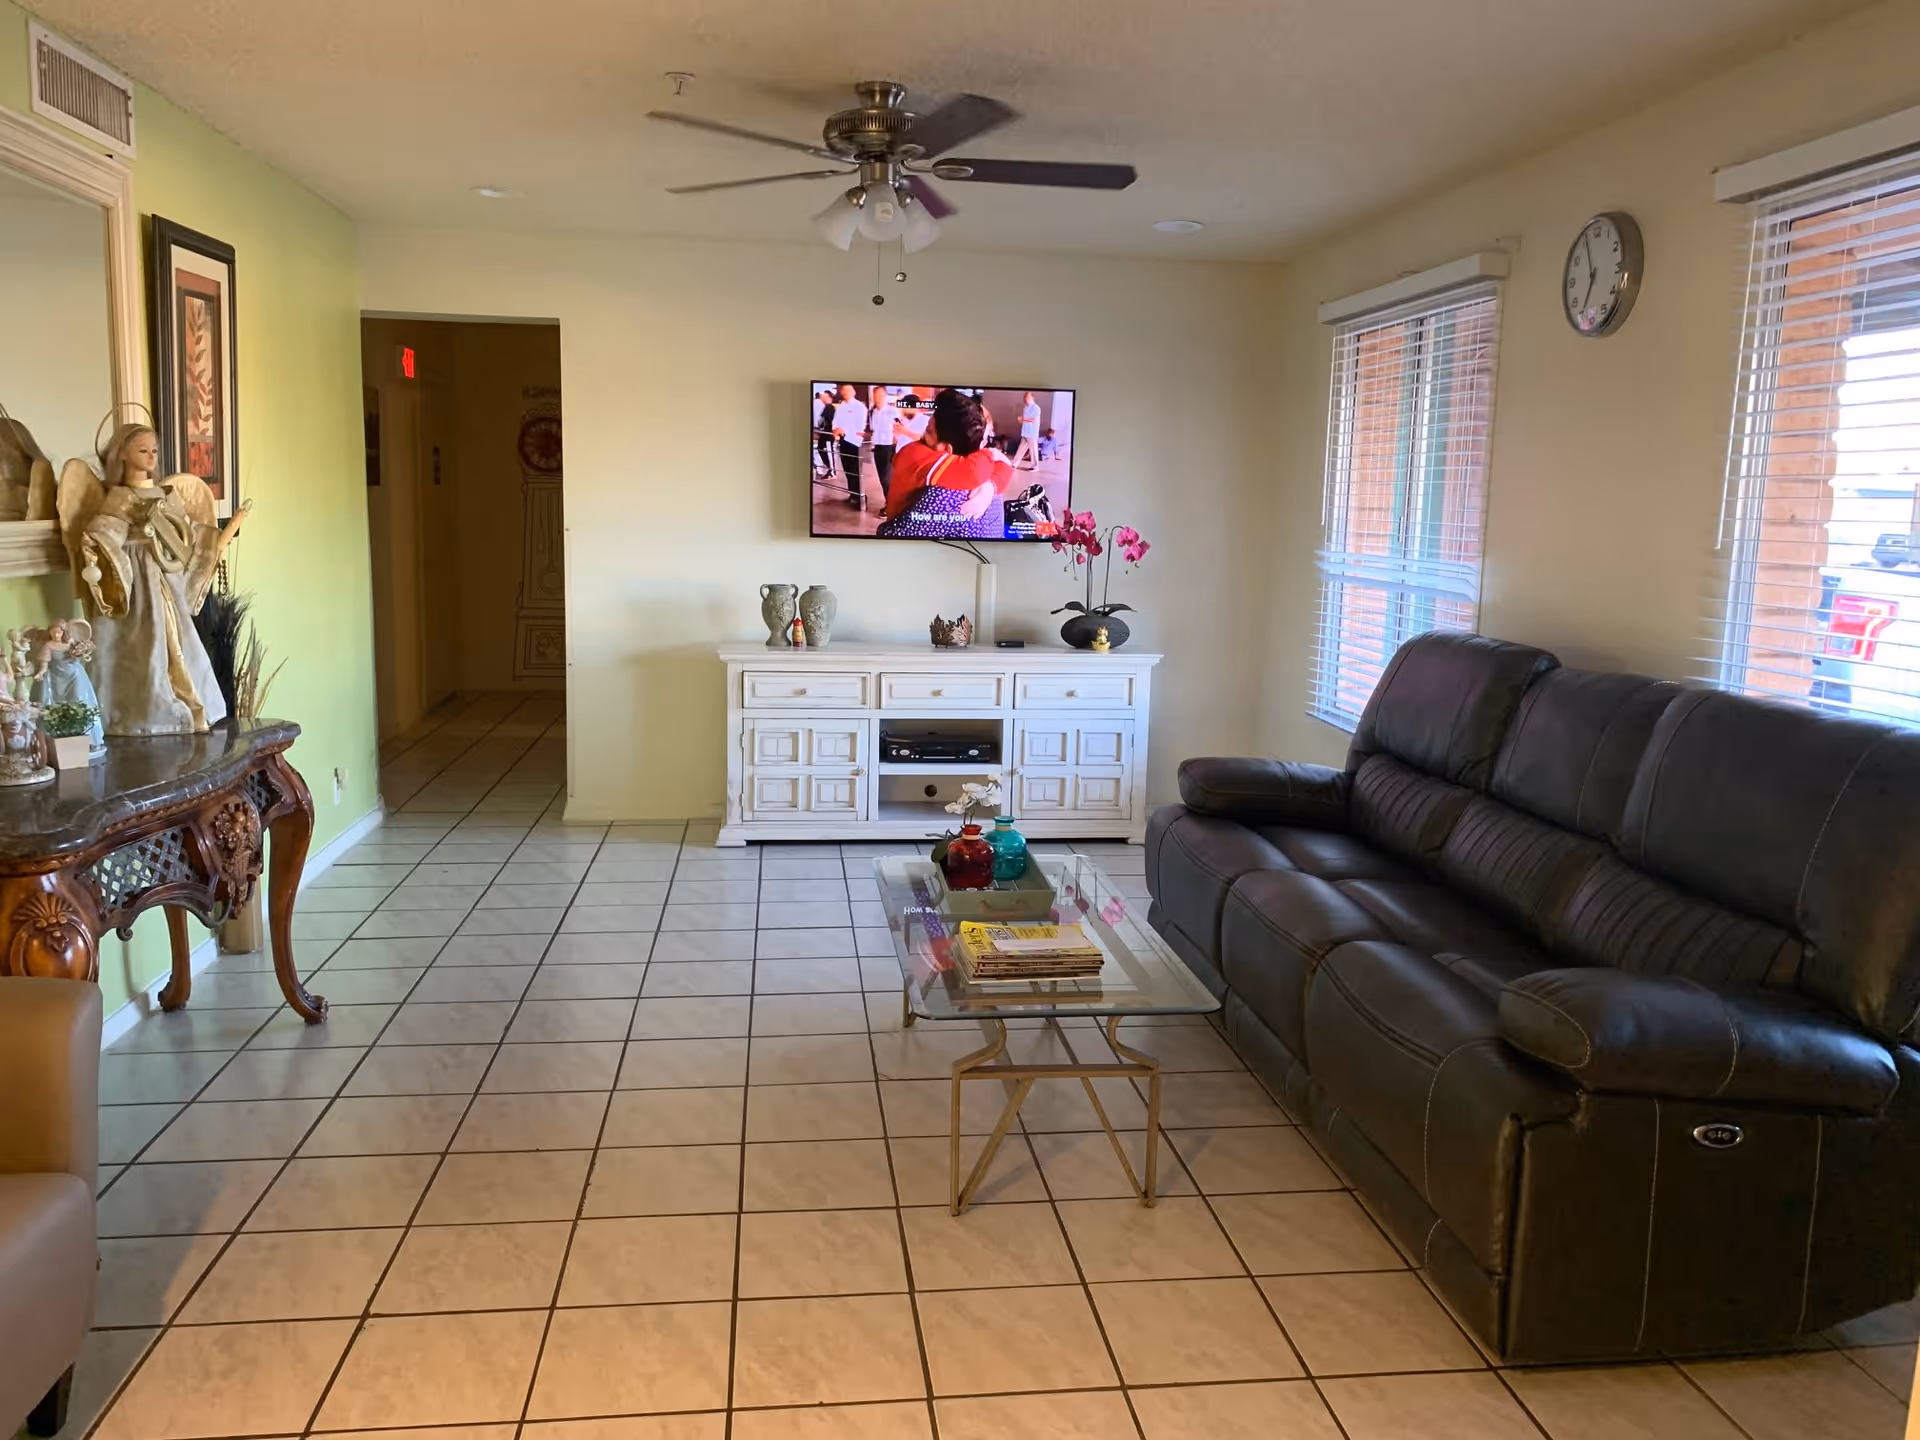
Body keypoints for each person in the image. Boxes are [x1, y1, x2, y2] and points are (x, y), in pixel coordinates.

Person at [876, 388, 1017, 539]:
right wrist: (992, 459)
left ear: (947, 449)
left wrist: (991, 485)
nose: (924, 434)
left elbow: (978, 469)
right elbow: (976, 470)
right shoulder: (915, 455)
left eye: (929, 431)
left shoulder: (938, 485)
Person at [830, 382, 868, 508]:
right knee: (847, 470)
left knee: (855, 471)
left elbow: (860, 428)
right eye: (843, 390)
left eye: (848, 390)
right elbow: (835, 422)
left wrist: (845, 431)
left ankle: (860, 498)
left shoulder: (859, 407)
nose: (845, 392)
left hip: (854, 442)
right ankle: (852, 494)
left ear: (853, 392)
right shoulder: (841, 406)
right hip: (843, 441)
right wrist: (835, 429)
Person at [867, 386, 902, 512]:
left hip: (889, 447)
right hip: (877, 447)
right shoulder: (872, 412)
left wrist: (896, 442)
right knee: (882, 477)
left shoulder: (893, 412)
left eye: (881, 395)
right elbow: (872, 430)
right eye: (876, 395)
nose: (878, 398)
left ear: (885, 396)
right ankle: (889, 502)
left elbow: (900, 428)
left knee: (888, 478)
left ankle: (892, 505)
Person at [1015, 390, 1042, 469]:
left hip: (1032, 432)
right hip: (1025, 432)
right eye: (1024, 396)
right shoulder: (1025, 408)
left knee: (1033, 451)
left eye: (1027, 396)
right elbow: (1026, 420)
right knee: (1021, 449)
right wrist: (1022, 420)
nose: (1025, 398)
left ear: (1032, 398)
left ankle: (1035, 467)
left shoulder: (1036, 408)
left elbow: (1034, 419)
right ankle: (1014, 464)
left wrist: (1022, 419)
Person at [812, 388, 836, 476]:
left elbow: (830, 422)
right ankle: (829, 468)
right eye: (823, 396)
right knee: (820, 449)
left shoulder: (830, 408)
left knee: (828, 452)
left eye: (825, 396)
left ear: (829, 398)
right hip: (823, 433)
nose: (823, 398)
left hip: (828, 435)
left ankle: (832, 472)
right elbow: (821, 421)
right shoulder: (825, 408)